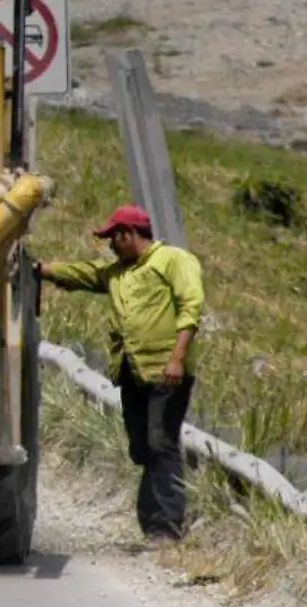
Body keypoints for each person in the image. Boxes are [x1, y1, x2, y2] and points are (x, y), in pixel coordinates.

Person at [37, 203, 205, 542]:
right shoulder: (118, 273)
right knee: (142, 448)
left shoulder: (173, 261)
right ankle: (152, 520)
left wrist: (177, 358)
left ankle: (166, 526)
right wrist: (43, 270)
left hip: (165, 371)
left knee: (161, 442)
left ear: (129, 234)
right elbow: (84, 273)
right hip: (131, 371)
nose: (110, 245)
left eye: (113, 238)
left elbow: (191, 307)